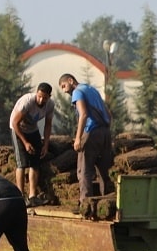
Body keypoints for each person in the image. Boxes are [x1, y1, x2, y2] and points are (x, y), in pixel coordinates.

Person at [59, 72, 114, 209]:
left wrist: (78, 138)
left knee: (84, 170)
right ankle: (107, 202)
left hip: (91, 132)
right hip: (105, 132)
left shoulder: (77, 92)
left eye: (63, 86)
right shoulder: (92, 90)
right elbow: (108, 114)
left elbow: (83, 114)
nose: (64, 91)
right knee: (104, 170)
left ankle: (86, 205)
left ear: (70, 80)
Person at [9, 83, 54, 203]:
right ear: (36, 93)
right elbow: (15, 123)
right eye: (39, 96)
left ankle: (32, 196)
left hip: (32, 129)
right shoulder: (27, 101)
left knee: (35, 163)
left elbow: (48, 125)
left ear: (49, 97)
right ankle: (20, 196)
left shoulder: (50, 105)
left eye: (44, 98)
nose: (41, 100)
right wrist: (25, 143)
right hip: (18, 128)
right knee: (22, 163)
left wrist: (45, 145)